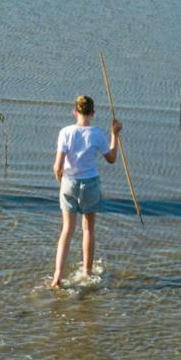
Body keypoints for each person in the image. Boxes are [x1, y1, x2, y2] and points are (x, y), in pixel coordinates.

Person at [51, 93, 122, 288]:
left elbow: (57, 166)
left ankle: (57, 276)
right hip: (90, 183)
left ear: (75, 112)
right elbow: (112, 158)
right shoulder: (97, 133)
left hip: (69, 183)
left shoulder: (65, 132)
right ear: (93, 113)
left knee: (66, 230)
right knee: (88, 229)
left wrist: (62, 182)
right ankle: (87, 272)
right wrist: (115, 134)